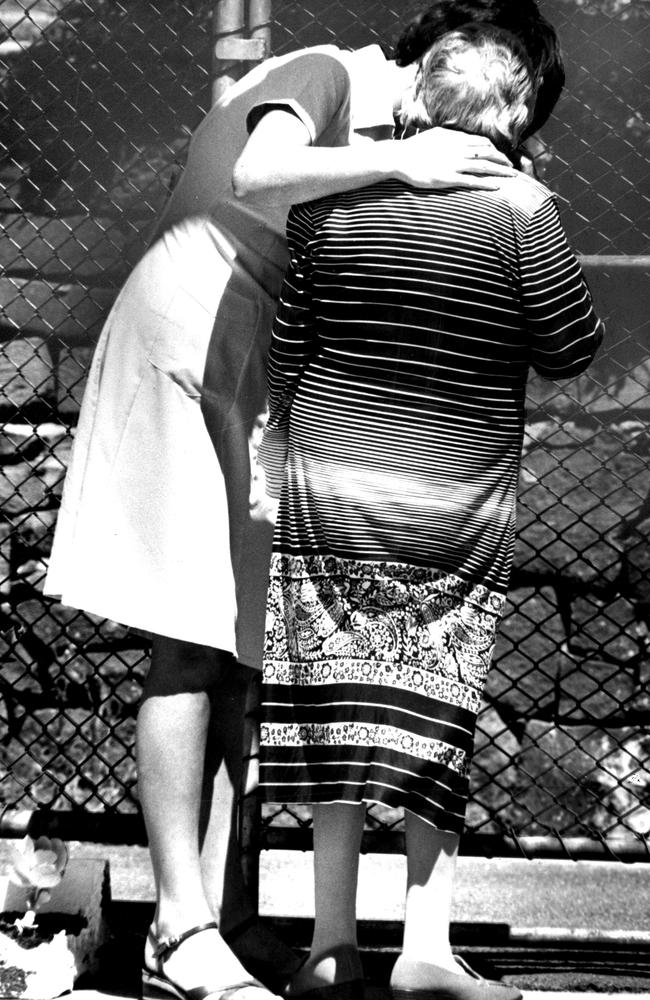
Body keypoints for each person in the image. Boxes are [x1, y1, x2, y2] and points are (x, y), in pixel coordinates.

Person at [43, 4, 565, 1000]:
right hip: (186, 347)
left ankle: (225, 915)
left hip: (256, 367)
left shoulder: (390, 123)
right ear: (447, 57)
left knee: (245, 647)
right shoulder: (328, 73)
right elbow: (257, 174)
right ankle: (180, 924)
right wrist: (404, 170)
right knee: (187, 640)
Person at [257, 23, 603, 1000]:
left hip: (329, 483)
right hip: (450, 497)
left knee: (331, 706)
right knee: (431, 706)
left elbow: (289, 346)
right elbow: (569, 344)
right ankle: (422, 947)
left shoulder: (331, 204)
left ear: (415, 105)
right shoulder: (519, 208)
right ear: (511, 120)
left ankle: (330, 947)